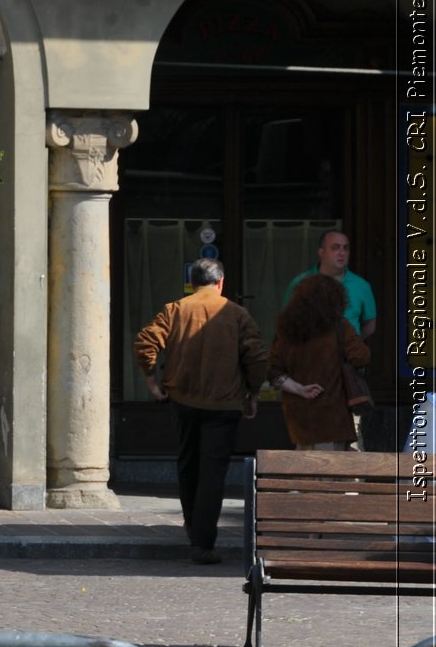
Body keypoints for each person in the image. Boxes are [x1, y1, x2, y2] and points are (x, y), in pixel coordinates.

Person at [134, 259, 269, 564]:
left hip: (182, 400)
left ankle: (193, 527)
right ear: (220, 282)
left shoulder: (175, 309)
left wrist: (152, 383)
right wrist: (253, 393)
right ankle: (202, 542)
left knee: (188, 463)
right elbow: (258, 357)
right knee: (213, 471)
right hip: (224, 404)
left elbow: (145, 342)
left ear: (193, 283)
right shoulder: (237, 314)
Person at [269, 274, 371, 450]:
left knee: (305, 468)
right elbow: (361, 357)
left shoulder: (287, 329)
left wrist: (299, 389)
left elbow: (273, 370)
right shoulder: (340, 326)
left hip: (299, 419)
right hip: (333, 416)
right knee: (333, 471)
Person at [283, 230, 376, 339]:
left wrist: (351, 346)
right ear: (321, 252)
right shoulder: (300, 283)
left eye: (345, 248)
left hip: (346, 354)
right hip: (309, 353)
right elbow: (286, 321)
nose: (342, 253)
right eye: (335, 248)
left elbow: (370, 324)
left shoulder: (362, 286)